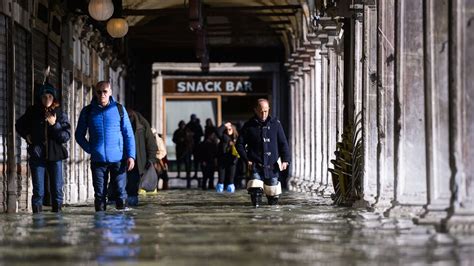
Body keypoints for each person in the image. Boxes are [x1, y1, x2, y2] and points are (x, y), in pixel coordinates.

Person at [75, 81, 135, 212]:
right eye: (99, 92)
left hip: (118, 159)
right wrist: (90, 149)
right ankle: (100, 227)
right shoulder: (88, 111)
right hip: (98, 161)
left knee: (120, 193)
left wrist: (131, 156)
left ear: (110, 92)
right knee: (100, 195)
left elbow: (128, 134)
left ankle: (121, 226)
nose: (102, 94)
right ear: (95, 93)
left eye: (105, 91)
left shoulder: (119, 109)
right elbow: (79, 135)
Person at [16, 83, 71, 213]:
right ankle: (37, 223)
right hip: (37, 155)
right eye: (44, 97)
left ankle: (57, 222)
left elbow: (65, 136)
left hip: (55, 156)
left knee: (57, 190)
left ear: (54, 98)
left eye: (50, 96)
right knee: (38, 191)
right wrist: (26, 135)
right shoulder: (32, 111)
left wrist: (54, 124)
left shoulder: (60, 113)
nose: (47, 99)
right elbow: (19, 125)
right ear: (40, 98)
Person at [236, 99, 291, 207]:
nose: (263, 114)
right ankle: (256, 216)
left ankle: (271, 220)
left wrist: (285, 160)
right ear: (255, 110)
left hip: (272, 165)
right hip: (255, 164)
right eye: (261, 111)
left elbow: (283, 143)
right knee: (255, 191)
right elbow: (239, 145)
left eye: (266, 111)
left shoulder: (276, 124)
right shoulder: (248, 125)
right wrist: (247, 160)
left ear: (269, 110)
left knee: (273, 195)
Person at [124, 109, 157, 206]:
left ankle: (130, 207)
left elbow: (151, 144)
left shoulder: (142, 124)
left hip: (138, 162)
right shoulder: (122, 121)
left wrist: (150, 160)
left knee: (132, 188)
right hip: (124, 161)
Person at [216, 122, 239, 193]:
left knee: (231, 179)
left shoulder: (236, 138)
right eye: (227, 129)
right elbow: (217, 131)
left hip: (232, 161)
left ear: (233, 130)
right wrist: (224, 125)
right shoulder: (224, 137)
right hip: (222, 160)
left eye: (230, 129)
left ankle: (231, 193)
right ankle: (219, 192)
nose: (228, 130)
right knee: (221, 179)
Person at [172, 120, 193, 187]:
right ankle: (179, 173)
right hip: (179, 149)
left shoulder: (188, 131)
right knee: (179, 162)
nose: (182, 126)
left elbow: (191, 140)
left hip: (186, 150)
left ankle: (188, 174)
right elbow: (174, 139)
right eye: (181, 125)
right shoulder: (177, 131)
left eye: (183, 125)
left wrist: (185, 140)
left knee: (187, 163)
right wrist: (179, 140)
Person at [186, 114, 203, 178]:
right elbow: (185, 133)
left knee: (196, 160)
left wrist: (194, 134)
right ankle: (188, 173)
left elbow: (201, 134)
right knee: (188, 160)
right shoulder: (188, 125)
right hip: (190, 145)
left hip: (196, 145)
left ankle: (195, 173)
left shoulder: (198, 125)